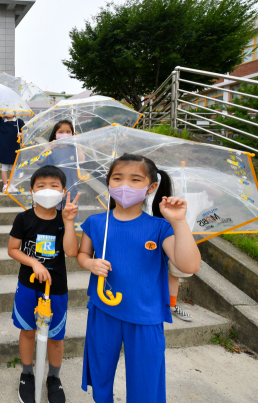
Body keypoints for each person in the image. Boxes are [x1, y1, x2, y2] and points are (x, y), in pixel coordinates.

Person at [77, 154, 201, 403]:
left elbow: (189, 264)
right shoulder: (96, 222)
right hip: (103, 310)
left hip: (146, 316)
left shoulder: (160, 226)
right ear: (108, 182)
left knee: (146, 384)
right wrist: (90, 263)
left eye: (135, 180)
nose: (125, 185)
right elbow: (82, 254)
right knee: (100, 379)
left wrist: (178, 222)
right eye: (117, 178)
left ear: (151, 187)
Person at [8, 166, 80, 403]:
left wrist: (69, 222)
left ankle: (54, 378)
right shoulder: (23, 218)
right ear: (31, 191)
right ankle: (27, 374)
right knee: (28, 331)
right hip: (28, 286)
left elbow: (71, 252)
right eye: (41, 186)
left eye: (54, 186)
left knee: (55, 337)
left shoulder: (63, 219)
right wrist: (34, 264)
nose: (47, 190)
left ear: (63, 191)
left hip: (56, 288)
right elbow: (12, 249)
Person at [38, 120, 85, 208]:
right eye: (61, 132)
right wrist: (49, 147)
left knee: (70, 217)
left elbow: (81, 161)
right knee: (56, 218)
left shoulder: (74, 149)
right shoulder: (52, 150)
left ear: (72, 134)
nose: (64, 134)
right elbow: (39, 160)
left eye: (68, 132)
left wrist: (77, 142)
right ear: (55, 135)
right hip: (55, 192)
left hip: (71, 190)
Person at [0, 114, 25, 193]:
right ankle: (5, 185)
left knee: (13, 168)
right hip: (3, 147)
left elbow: (25, 131)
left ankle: (12, 185)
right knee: (4, 167)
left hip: (14, 147)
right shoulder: (0, 121)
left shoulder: (19, 121)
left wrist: (21, 134)